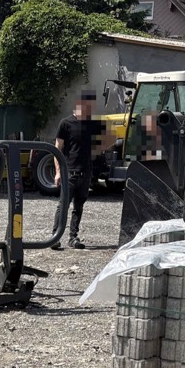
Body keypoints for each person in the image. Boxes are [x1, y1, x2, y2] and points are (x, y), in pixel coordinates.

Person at [51, 90, 111, 250]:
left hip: (86, 172)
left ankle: (73, 238)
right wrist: (58, 172)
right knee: (63, 205)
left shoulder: (93, 124)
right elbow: (57, 149)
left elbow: (108, 140)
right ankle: (55, 237)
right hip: (69, 172)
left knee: (79, 207)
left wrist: (100, 146)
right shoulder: (66, 123)